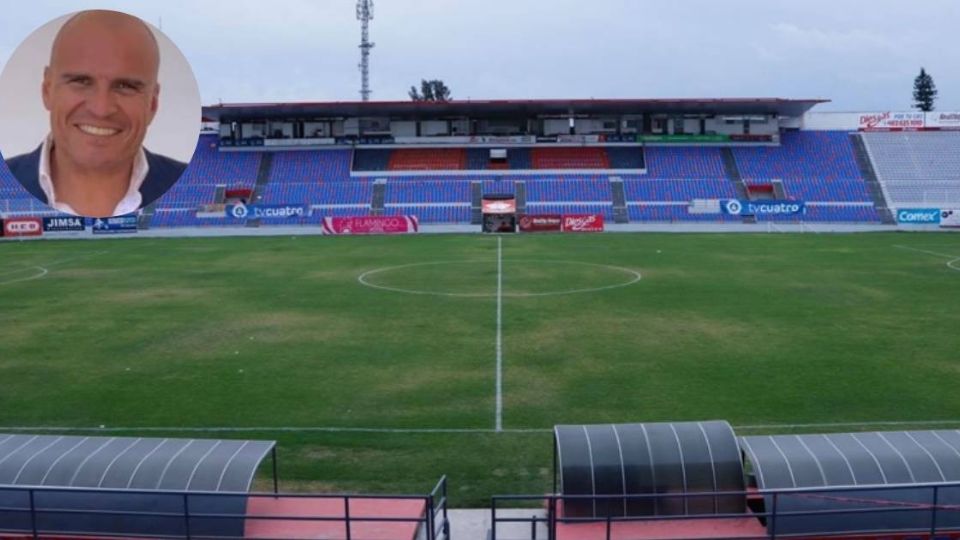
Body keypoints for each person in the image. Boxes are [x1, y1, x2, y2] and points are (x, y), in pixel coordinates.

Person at [4, 10, 186, 218]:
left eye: (125, 86)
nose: (101, 109)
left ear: (152, 103)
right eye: (81, 81)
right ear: (47, 89)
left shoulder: (180, 178)